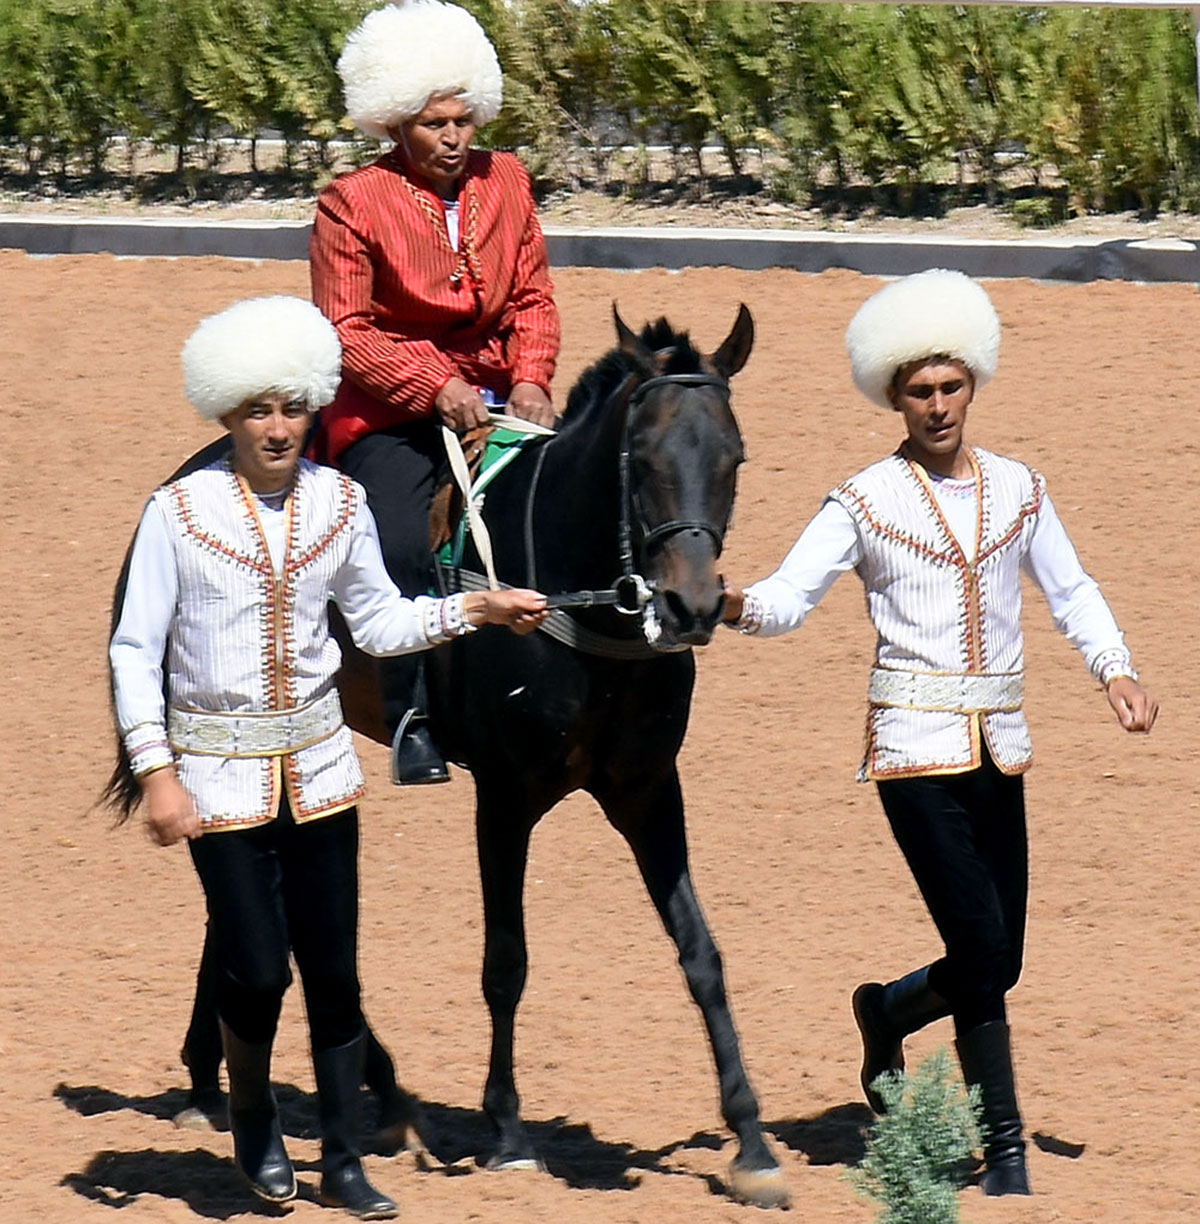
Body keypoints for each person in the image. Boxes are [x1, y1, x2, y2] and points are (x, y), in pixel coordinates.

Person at [721, 269, 1158, 1197]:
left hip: (1001, 748)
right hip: (912, 755)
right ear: (894, 396)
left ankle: (886, 1012)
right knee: (981, 949)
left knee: (1002, 956)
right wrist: (729, 605)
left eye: (951, 386)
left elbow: (1072, 589)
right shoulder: (862, 500)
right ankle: (1005, 1151)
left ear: (974, 383)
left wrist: (1113, 668)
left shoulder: (1021, 489)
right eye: (919, 390)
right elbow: (789, 598)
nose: (937, 405)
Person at [109, 296, 547, 1218]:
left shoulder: (341, 503)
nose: (278, 429)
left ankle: (344, 1159)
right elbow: (135, 649)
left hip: (320, 776)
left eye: (293, 409)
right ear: (228, 413)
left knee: (337, 977)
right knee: (259, 970)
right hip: (218, 780)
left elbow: (380, 623)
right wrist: (156, 773)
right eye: (258, 411)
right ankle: (253, 1116)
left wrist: (475, 608)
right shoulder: (177, 513)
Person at [310, 0, 561, 785]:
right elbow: (346, 330)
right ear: (395, 124)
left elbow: (533, 297)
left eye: (463, 120)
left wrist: (532, 375)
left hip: (500, 400)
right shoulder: (350, 202)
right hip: (387, 413)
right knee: (396, 544)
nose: (454, 138)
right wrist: (433, 384)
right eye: (433, 124)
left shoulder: (509, 179)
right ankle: (412, 711)